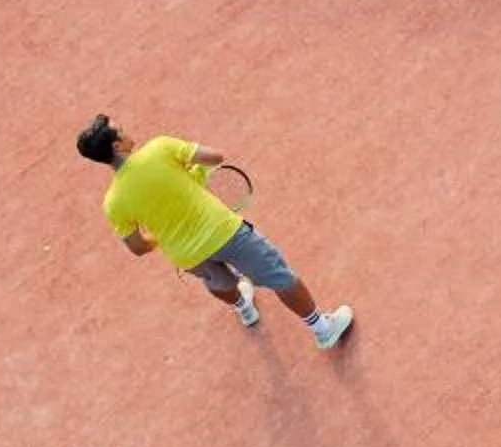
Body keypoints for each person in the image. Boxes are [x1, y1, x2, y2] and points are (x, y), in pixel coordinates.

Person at [77, 115, 353, 351]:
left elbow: (137, 247)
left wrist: (162, 236)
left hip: (186, 255)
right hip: (225, 232)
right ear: (116, 145)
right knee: (281, 276)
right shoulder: (159, 148)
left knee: (218, 282)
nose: (126, 130)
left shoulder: (113, 202)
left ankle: (244, 308)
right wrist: (194, 172)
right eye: (121, 130)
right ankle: (323, 329)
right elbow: (215, 157)